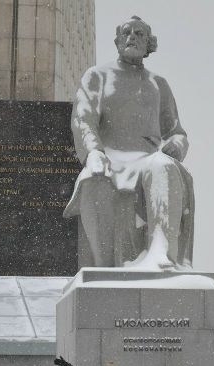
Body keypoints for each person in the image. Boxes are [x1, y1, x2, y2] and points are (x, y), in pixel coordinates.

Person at [63, 15, 195, 269]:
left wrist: (177, 145)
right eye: (126, 32)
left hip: (147, 158)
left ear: (149, 45)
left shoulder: (159, 85)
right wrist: (93, 152)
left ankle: (161, 254)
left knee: (163, 166)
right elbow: (83, 118)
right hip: (110, 156)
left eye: (139, 34)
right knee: (94, 178)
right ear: (118, 41)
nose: (132, 36)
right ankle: (105, 267)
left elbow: (177, 132)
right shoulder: (97, 76)